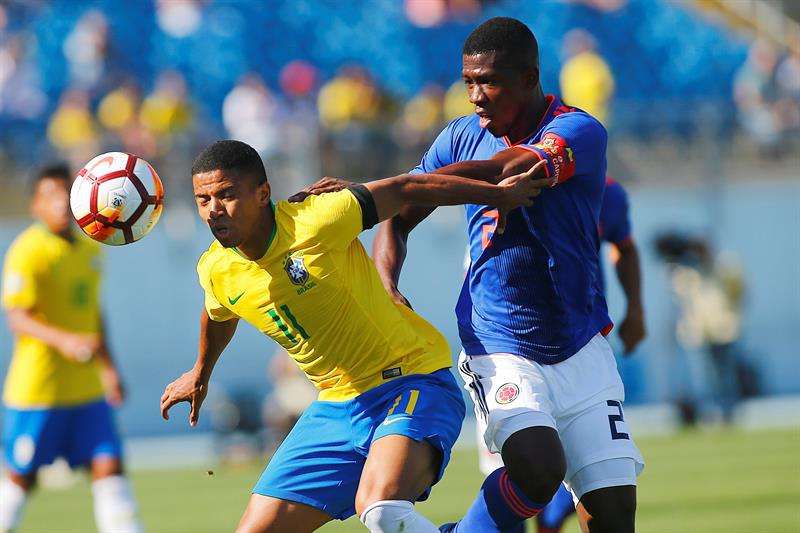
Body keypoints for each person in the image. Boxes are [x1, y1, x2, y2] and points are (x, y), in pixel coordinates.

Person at [159, 139, 549, 533]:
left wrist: (497, 195)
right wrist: (200, 372)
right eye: (203, 199)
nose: (213, 210)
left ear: (263, 193)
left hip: (411, 380)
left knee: (381, 509)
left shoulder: (317, 219)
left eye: (226, 194)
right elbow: (219, 313)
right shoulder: (216, 268)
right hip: (336, 406)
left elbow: (406, 189)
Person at [372, 17, 644, 533]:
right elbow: (397, 220)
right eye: (469, 81)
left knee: (614, 517)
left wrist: (400, 184)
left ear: (529, 78)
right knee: (538, 470)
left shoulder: (577, 130)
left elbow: (507, 171)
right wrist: (387, 281)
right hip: (499, 342)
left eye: (490, 82)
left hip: (579, 343)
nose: (476, 96)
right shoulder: (458, 138)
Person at [473, 176, 646, 533]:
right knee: (525, 476)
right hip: (507, 350)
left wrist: (636, 309)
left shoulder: (605, 190)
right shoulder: (493, 185)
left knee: (607, 497)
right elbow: (413, 194)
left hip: (581, 346)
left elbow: (625, 247)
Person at [0, 165, 142, 533]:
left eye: (66, 193)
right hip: (38, 392)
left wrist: (109, 368)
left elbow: (94, 314)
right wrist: (65, 340)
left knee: (109, 467)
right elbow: (18, 318)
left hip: (87, 391)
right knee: (21, 478)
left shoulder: (91, 249)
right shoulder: (27, 251)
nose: (60, 203)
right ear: (35, 205)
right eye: (49, 195)